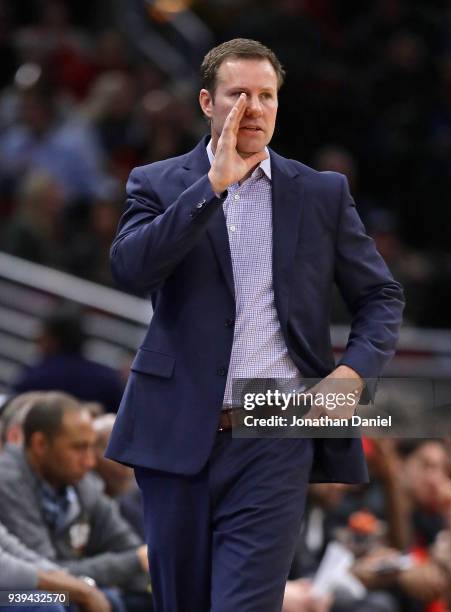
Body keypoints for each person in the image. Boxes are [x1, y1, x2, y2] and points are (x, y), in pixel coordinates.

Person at [106, 38, 404, 611]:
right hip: (176, 429)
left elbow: (381, 295)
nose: (256, 107)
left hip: (275, 428)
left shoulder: (319, 192)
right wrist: (211, 186)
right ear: (207, 103)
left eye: (267, 95)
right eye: (239, 94)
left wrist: (353, 372)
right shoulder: (159, 182)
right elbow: (130, 269)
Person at [0, 392, 151, 610]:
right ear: (40, 443)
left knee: (144, 596)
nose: (90, 461)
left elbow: (128, 546)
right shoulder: (8, 481)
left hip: (58, 584)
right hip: (13, 594)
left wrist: (149, 577)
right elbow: (19, 568)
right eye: (78, 448)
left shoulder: (82, 483)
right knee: (49, 604)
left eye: (91, 447)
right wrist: (82, 588)